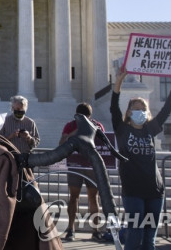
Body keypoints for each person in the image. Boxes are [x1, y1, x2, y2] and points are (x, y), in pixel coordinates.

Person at [112, 67, 171, 250]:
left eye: (143, 109)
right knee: (135, 233)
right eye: (136, 109)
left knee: (149, 239)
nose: (140, 112)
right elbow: (113, 106)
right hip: (133, 190)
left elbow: (167, 109)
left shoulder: (150, 130)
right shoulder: (122, 130)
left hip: (155, 190)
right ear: (128, 112)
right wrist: (119, 81)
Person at [59, 102, 105, 242]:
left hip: (92, 166)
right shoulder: (70, 125)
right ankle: (71, 229)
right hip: (75, 165)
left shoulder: (97, 126)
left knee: (93, 198)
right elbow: (61, 143)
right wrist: (76, 131)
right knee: (74, 197)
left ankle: (95, 230)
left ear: (90, 117)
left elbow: (104, 144)